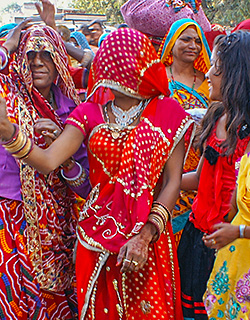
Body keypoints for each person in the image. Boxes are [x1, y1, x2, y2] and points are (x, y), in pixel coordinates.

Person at [0, 27, 196, 320]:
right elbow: (49, 160)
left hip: (149, 240)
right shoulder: (90, 112)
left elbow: (172, 183)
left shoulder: (168, 113)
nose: (106, 69)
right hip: (95, 239)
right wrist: (10, 133)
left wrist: (145, 235)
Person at [0, 22, 91, 319]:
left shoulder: (74, 112)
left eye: (47, 54)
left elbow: (85, 184)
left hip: (60, 224)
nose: (38, 61)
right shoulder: (9, 101)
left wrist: (64, 157)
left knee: (59, 298)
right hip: (14, 217)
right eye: (30, 55)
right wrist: (8, 46)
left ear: (60, 61)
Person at [177, 30, 250, 319]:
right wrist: (160, 184)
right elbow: (200, 178)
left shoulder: (247, 133)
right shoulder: (215, 115)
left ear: (234, 73)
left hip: (229, 241)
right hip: (197, 237)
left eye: (216, 66)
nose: (207, 73)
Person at [202, 31, 250, 319]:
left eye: (216, 66)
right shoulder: (228, 122)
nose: (207, 73)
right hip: (230, 256)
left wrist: (238, 231)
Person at [158, 18, 211, 243]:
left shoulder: (207, 82)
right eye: (186, 39)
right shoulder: (157, 76)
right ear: (171, 42)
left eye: (198, 41)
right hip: (161, 158)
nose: (193, 46)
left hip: (196, 162)